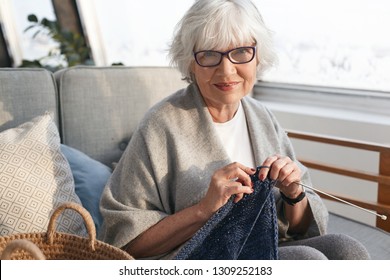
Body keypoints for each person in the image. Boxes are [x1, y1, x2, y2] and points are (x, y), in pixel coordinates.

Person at [99, 0, 370, 260]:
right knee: (307, 260)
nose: (226, 70)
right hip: (195, 258)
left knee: (347, 250)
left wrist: (292, 193)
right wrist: (204, 210)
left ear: (257, 57)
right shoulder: (160, 125)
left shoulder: (262, 118)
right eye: (208, 55)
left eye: (240, 52)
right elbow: (124, 241)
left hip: (264, 247)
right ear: (191, 63)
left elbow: (300, 228)